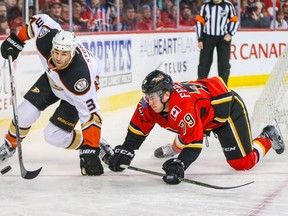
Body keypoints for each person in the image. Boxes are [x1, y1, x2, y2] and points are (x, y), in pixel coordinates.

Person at [106, 70, 285, 184]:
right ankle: (174, 148)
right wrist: (126, 150)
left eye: (152, 97)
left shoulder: (182, 107)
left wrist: (181, 164)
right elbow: (138, 129)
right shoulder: (150, 104)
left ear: (166, 94)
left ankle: (267, 136)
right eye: (147, 96)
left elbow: (194, 142)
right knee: (185, 130)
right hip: (200, 116)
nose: (148, 101)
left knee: (242, 163)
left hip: (225, 114)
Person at [0, 14, 105, 176]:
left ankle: (96, 145)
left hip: (71, 94)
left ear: (72, 53)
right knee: (24, 113)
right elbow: (38, 20)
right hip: (52, 80)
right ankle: (9, 145)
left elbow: (91, 115)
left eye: (63, 54)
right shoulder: (47, 39)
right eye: (56, 52)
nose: (58, 58)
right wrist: (17, 40)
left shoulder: (80, 78)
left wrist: (91, 148)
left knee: (53, 136)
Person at [196, 0, 239, 85]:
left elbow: (234, 20)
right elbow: (199, 22)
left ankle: (223, 86)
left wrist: (230, 33)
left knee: (224, 63)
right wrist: (200, 39)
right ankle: (200, 85)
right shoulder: (206, 5)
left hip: (223, 38)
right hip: (207, 37)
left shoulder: (228, 5)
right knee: (204, 63)